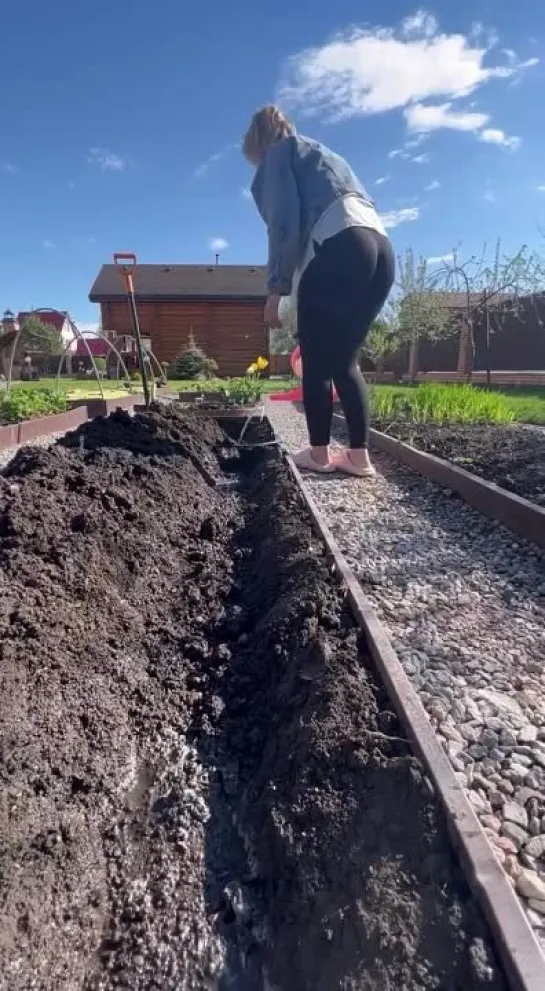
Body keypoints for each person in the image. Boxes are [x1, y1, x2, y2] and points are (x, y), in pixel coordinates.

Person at [243, 105, 395, 476]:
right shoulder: (324, 154)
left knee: (314, 359)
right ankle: (359, 458)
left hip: (337, 248)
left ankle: (319, 454)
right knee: (345, 360)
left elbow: (283, 224)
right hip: (380, 248)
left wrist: (275, 292)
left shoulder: (278, 156)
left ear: (259, 145)